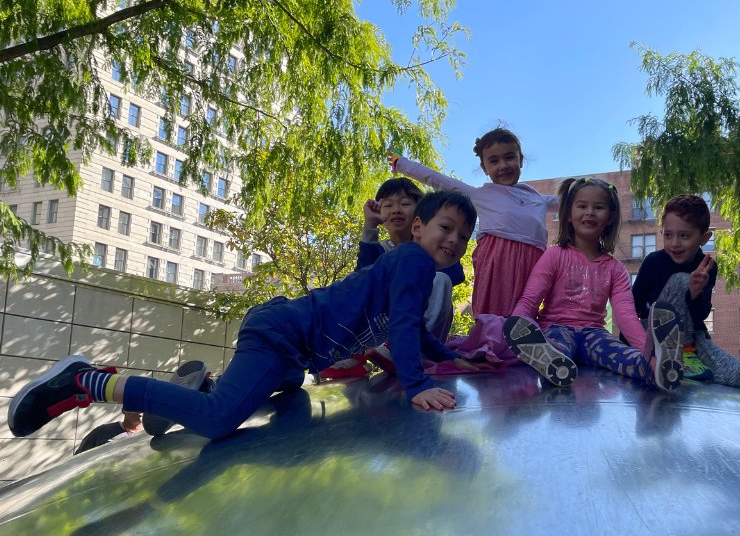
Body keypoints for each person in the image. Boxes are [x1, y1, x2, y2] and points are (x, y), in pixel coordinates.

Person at [7, 191, 482, 442]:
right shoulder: (415, 262)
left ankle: (203, 388)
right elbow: (402, 329)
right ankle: (84, 381)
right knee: (217, 423)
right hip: (282, 335)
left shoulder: (405, 265)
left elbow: (413, 330)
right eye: (446, 228)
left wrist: (456, 356)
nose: (454, 241)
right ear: (419, 227)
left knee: (285, 394)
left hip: (292, 350)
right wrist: (419, 385)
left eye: (463, 237)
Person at [501, 176, 687, 392]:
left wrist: (646, 348)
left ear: (610, 217)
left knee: (619, 353)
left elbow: (625, 315)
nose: (590, 212)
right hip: (556, 328)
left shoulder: (615, 268)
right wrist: (518, 326)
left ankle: (655, 367)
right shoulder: (554, 255)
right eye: (582, 206)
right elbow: (531, 299)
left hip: (594, 334)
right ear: (569, 214)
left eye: (598, 207)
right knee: (556, 346)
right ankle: (550, 361)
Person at [389, 127, 558, 317]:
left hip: (533, 261)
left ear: (521, 160)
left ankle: (523, 343)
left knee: (526, 312)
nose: (503, 165)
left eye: (509, 157)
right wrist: (401, 163)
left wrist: (589, 186)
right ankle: (487, 342)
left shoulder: (539, 199)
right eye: (494, 161)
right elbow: (438, 180)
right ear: (485, 168)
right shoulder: (481, 195)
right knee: (494, 313)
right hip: (498, 259)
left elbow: (574, 202)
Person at [322, 178, 467, 379]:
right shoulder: (381, 250)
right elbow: (361, 277)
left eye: (405, 204)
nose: (396, 210)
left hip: (418, 332)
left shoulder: (432, 247)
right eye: (388, 205)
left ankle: (409, 350)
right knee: (352, 291)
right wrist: (370, 226)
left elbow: (456, 275)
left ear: (420, 215)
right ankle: (351, 355)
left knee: (440, 280)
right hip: (382, 327)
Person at [630, 194, 740, 388]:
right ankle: (671, 357)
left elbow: (701, 314)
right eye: (668, 235)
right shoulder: (653, 261)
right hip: (652, 333)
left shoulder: (707, 266)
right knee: (680, 280)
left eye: (684, 236)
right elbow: (631, 307)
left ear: (704, 237)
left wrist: (695, 293)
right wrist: (631, 345)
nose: (675, 243)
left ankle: (684, 363)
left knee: (738, 373)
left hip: (692, 339)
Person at [74, 407, 143, 454]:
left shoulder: (148, 438)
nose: (140, 410)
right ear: (125, 409)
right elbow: (78, 459)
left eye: (146, 406)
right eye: (136, 405)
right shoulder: (102, 431)